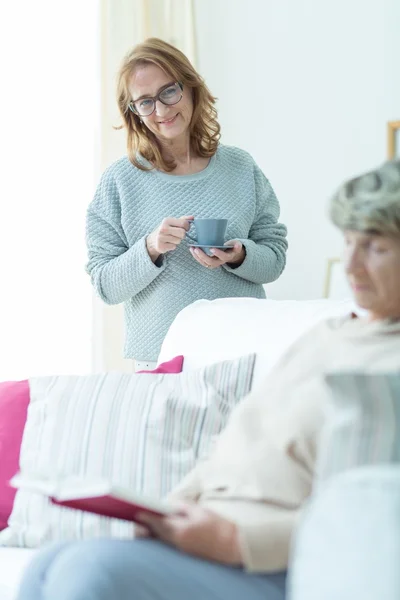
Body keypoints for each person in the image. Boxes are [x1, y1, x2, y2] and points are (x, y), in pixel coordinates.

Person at [17, 160, 400, 600]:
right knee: (48, 564)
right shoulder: (328, 336)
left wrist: (238, 541)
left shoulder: (387, 364)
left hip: (279, 560)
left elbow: (374, 520)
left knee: (91, 570)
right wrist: (164, 514)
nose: (350, 264)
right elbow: (235, 448)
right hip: (210, 532)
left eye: (374, 247)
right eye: (348, 242)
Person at [85, 38, 288, 370]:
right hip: (160, 361)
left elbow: (275, 259)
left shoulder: (241, 167)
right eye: (145, 102)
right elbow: (105, 286)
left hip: (244, 354)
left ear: (191, 88)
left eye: (169, 92)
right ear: (133, 112)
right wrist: (150, 247)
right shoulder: (119, 181)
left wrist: (239, 255)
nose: (162, 110)